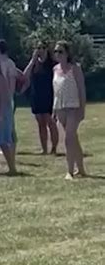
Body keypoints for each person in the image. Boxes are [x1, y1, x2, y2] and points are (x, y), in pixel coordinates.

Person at [52, 41, 87, 179]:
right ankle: (82, 169)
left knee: (68, 138)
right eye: (56, 51)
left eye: (60, 51)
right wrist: (53, 109)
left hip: (73, 107)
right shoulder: (55, 69)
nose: (58, 54)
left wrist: (82, 109)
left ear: (67, 53)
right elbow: (55, 90)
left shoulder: (75, 68)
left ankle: (70, 171)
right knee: (73, 139)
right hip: (60, 106)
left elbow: (81, 89)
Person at [0, 39, 24, 168]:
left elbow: (12, 82)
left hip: (6, 99)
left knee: (9, 127)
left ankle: (12, 154)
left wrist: (8, 99)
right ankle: (0, 155)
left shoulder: (9, 63)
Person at [22, 43, 59, 155]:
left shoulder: (52, 64)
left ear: (47, 49)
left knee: (50, 122)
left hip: (49, 96)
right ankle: (44, 149)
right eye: (38, 48)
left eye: (43, 48)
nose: (41, 50)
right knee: (40, 123)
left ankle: (54, 148)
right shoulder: (34, 64)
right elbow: (24, 76)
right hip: (36, 96)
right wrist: (32, 60)